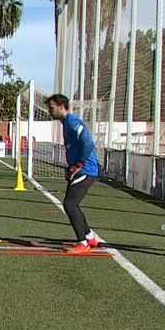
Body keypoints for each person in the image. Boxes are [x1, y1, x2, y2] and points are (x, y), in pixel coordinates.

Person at [47, 94, 100, 255]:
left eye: (52, 108)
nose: (50, 111)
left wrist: (79, 164)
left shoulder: (72, 122)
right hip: (80, 169)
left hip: (86, 170)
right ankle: (90, 237)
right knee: (73, 204)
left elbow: (88, 143)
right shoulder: (66, 123)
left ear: (61, 106)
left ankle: (83, 244)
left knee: (69, 205)